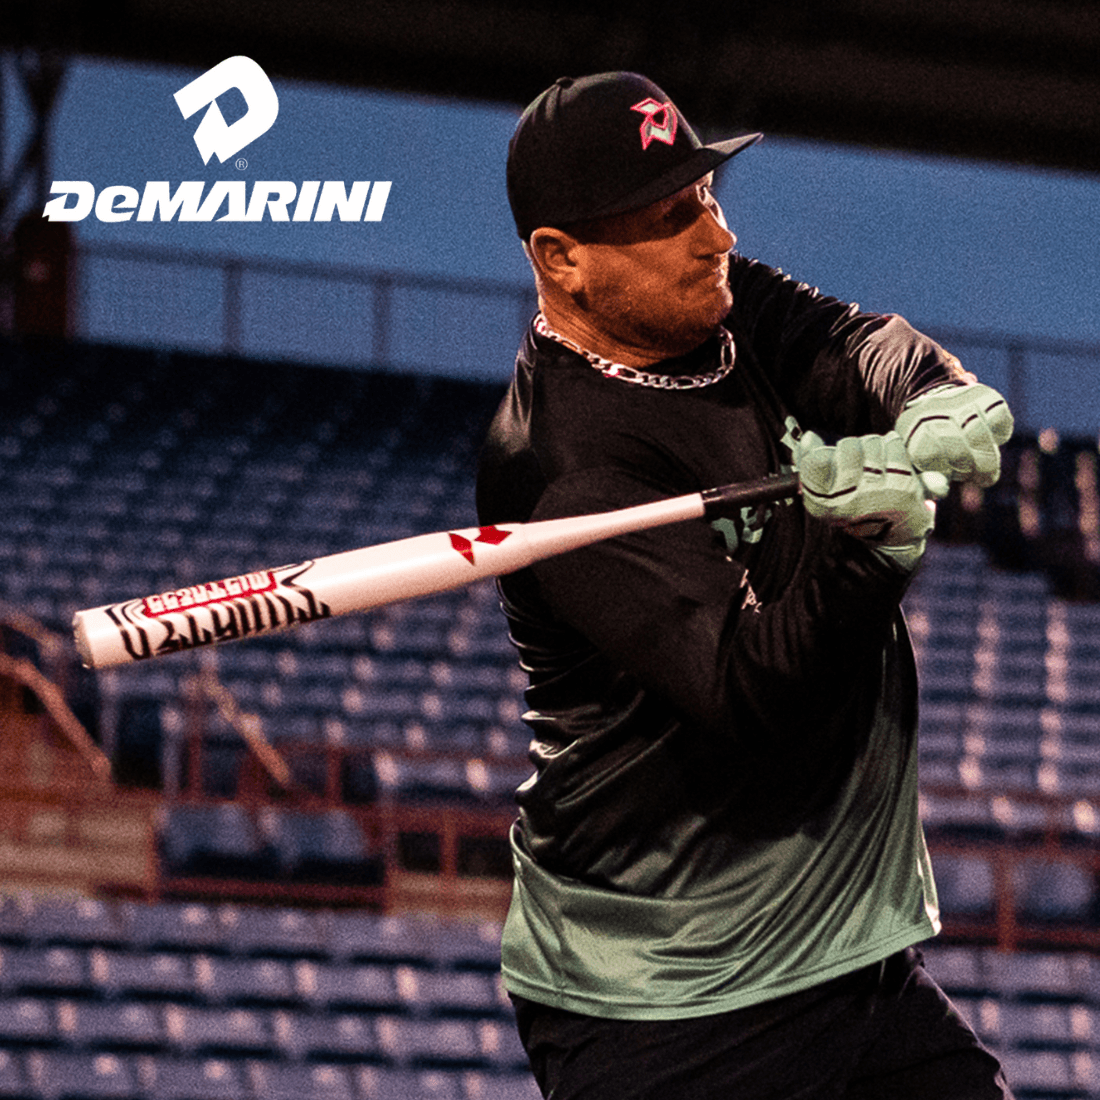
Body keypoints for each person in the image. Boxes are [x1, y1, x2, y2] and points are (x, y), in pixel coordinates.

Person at [476, 71, 1015, 1100]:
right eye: (667, 217)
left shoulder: (727, 309)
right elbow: (753, 694)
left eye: (705, 197)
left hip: (846, 957)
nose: (715, 236)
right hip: (669, 1001)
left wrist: (935, 396)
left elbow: (860, 346)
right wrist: (869, 548)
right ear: (561, 258)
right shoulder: (561, 465)